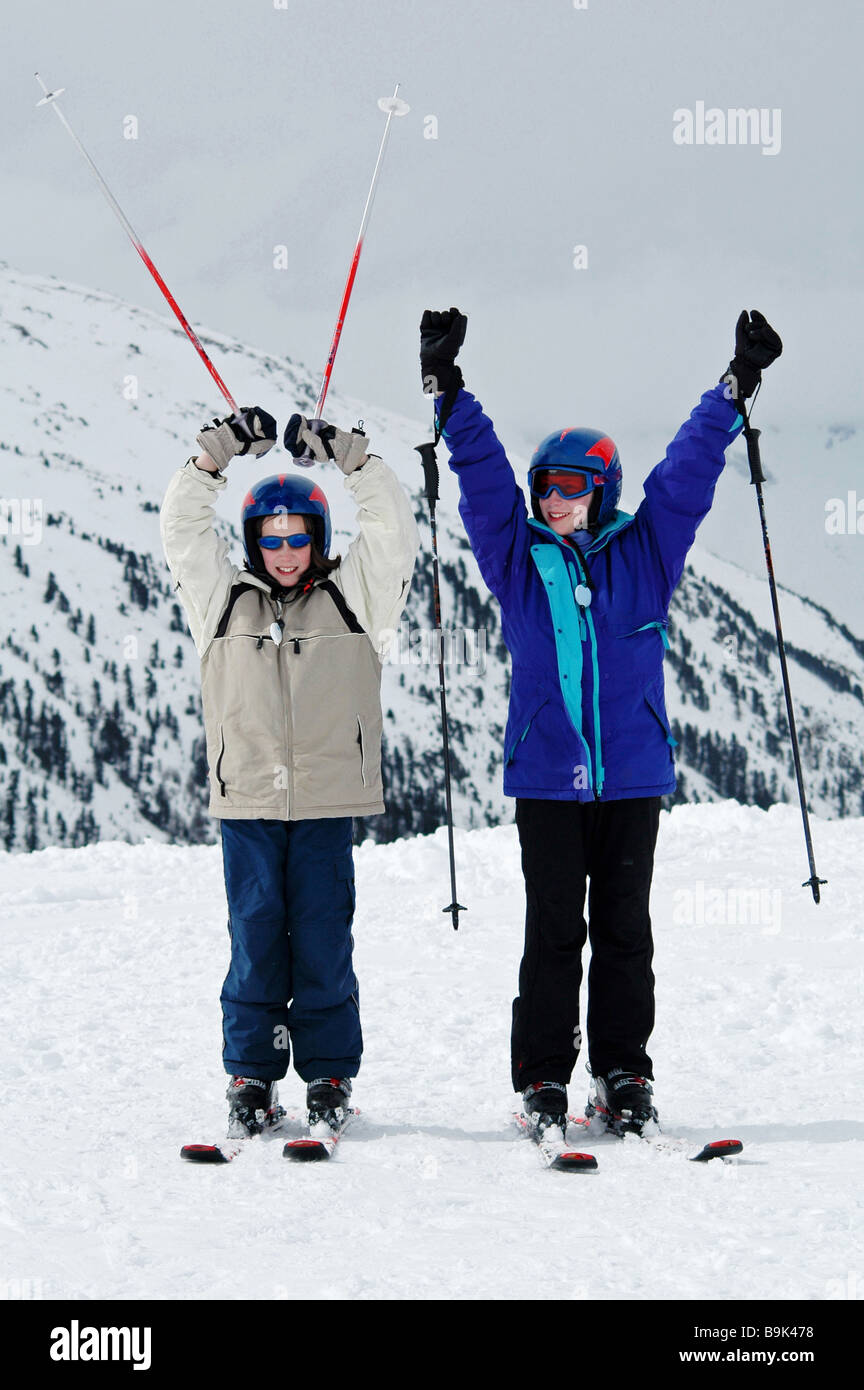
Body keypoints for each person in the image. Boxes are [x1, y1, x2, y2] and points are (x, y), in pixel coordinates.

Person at [419, 306, 782, 1143]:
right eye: (547, 486)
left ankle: (624, 1072)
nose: (555, 500)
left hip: (632, 777)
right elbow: (480, 479)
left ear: (603, 491)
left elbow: (687, 476)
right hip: (548, 777)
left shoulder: (645, 554)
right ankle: (544, 1075)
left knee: (625, 932)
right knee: (553, 931)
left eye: (573, 487)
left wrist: (735, 389)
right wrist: (449, 391)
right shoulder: (516, 558)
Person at [160, 406, 419, 1138]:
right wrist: (214, 460)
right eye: (270, 539)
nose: (283, 550)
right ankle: (252, 1075)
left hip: (326, 801)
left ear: (317, 537)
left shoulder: (355, 598)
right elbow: (181, 534)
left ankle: (329, 1075)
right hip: (246, 801)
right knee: (255, 936)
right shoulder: (220, 601)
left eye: (297, 536)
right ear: (251, 542)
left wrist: (350, 460)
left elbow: (393, 533)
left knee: (322, 938)